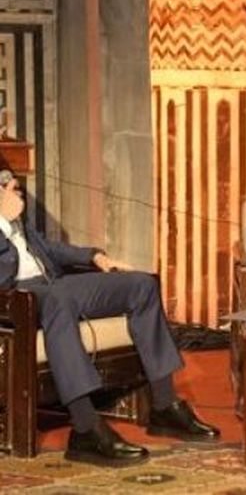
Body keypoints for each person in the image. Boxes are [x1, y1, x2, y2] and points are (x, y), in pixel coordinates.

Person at [0, 172, 220, 466]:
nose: (17, 193)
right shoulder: (5, 218)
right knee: (59, 300)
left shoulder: (18, 219)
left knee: (142, 285)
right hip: (19, 296)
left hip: (55, 285)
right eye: (10, 187)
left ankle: (164, 405)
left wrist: (95, 257)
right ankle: (85, 427)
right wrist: (3, 222)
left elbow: (48, 249)